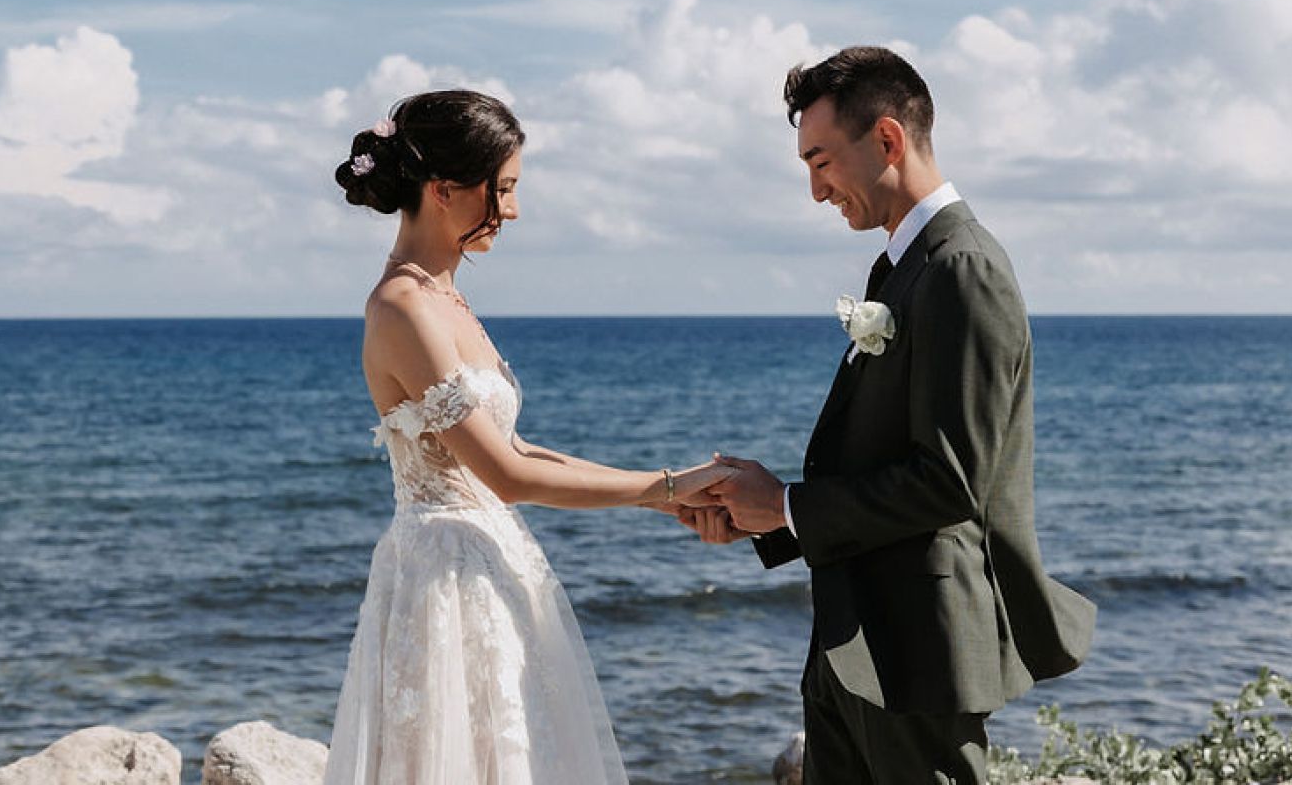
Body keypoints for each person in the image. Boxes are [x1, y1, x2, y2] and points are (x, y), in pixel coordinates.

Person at [697, 47, 1096, 785]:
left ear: (887, 139)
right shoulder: (908, 268)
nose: (817, 192)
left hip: (916, 654)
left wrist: (787, 505)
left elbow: (950, 484)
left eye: (821, 162)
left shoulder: (961, 268)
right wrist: (768, 512)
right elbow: (884, 462)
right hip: (854, 648)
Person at [320, 88, 734, 785]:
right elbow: (506, 474)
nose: (512, 210)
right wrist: (659, 487)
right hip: (444, 579)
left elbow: (518, 451)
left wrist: (660, 493)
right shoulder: (402, 306)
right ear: (445, 189)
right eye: (503, 189)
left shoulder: (446, 298)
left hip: (491, 562)